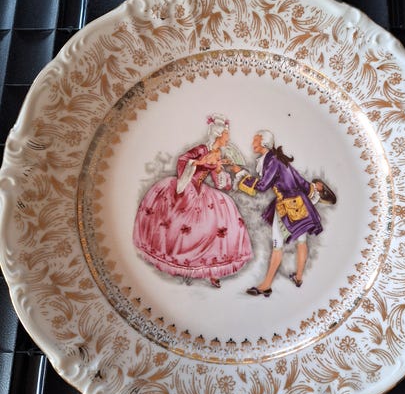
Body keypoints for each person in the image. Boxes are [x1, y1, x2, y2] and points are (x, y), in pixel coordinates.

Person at [133, 114, 253, 288]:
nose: (228, 138)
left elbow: (220, 184)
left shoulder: (219, 153)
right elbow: (183, 161)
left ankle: (213, 269)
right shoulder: (202, 149)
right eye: (227, 135)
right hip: (186, 187)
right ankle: (181, 262)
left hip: (200, 189)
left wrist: (220, 171)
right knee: (184, 225)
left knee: (224, 209)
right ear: (219, 135)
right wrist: (199, 162)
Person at [234, 130, 327, 297]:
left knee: (278, 245)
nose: (252, 144)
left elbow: (262, 186)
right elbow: (301, 181)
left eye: (255, 140)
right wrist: (312, 190)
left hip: (286, 206)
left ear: (264, 143)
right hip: (300, 204)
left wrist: (241, 175)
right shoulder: (279, 159)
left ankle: (266, 285)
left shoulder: (273, 161)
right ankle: (299, 278)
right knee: (301, 241)